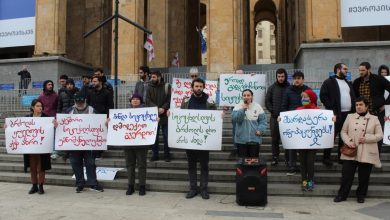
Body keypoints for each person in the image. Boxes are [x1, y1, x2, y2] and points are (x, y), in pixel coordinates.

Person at [334, 97, 382, 203]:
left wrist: (367, 138)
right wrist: (348, 141)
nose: (358, 107)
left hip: (366, 151)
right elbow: (343, 131)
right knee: (346, 175)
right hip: (351, 150)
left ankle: (361, 195)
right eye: (356, 105)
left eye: (360, 105)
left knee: (364, 176)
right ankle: (342, 195)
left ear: (366, 106)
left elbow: (379, 135)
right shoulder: (350, 117)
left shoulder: (374, 118)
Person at [180, 78, 217, 199]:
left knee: (204, 165)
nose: (198, 88)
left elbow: (214, 117)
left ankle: (204, 189)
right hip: (189, 139)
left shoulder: (210, 101)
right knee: (191, 165)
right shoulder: (186, 101)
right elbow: (180, 117)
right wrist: (171, 115)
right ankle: (193, 188)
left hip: (204, 140)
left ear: (204, 87)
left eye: (201, 86)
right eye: (196, 86)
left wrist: (219, 115)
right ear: (192, 87)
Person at [62, 93, 104, 193]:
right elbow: (62, 124)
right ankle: (80, 183)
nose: (80, 104)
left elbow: (100, 124)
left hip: (89, 144)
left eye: (81, 102)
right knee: (76, 163)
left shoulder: (92, 110)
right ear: (74, 102)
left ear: (85, 101)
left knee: (91, 163)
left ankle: (93, 183)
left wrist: (105, 122)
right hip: (73, 144)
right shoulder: (69, 111)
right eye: (77, 102)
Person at [320, 63, 355, 165]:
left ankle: (341, 157)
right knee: (331, 136)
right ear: (338, 69)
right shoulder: (329, 82)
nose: (346, 71)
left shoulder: (347, 82)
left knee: (343, 137)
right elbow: (323, 96)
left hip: (348, 114)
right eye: (344, 69)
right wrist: (331, 108)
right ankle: (326, 158)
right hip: (335, 114)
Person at [352, 62, 390, 154]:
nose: (361, 72)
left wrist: (385, 104)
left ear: (369, 70)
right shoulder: (357, 82)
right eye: (359, 70)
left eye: (363, 70)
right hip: (362, 114)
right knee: (363, 134)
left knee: (378, 134)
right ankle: (364, 155)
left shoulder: (379, 79)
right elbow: (354, 97)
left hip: (377, 112)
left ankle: (376, 156)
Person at [281, 71, 310, 175]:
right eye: (295, 78)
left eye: (299, 78)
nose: (296, 80)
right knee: (292, 145)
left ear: (303, 79)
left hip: (305, 122)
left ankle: (304, 166)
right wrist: (283, 118)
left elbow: (313, 103)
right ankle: (292, 166)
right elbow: (284, 105)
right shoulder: (288, 90)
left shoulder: (308, 90)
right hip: (292, 122)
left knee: (304, 145)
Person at [123, 93, 150, 196]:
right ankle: (131, 186)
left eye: (137, 99)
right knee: (130, 165)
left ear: (141, 101)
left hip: (141, 144)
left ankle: (142, 186)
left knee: (142, 165)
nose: (134, 101)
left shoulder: (146, 113)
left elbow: (150, 125)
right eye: (133, 99)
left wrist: (156, 121)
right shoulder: (124, 113)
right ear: (130, 101)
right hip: (128, 144)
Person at [23, 99, 52, 194]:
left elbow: (51, 130)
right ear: (32, 107)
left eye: (41, 106)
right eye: (38, 106)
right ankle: (34, 185)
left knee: (41, 167)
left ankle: (41, 186)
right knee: (32, 167)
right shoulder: (27, 118)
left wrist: (54, 125)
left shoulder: (47, 118)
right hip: (31, 148)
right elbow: (19, 128)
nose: (40, 108)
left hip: (42, 147)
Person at [232, 89, 267, 158]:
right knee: (242, 162)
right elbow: (236, 119)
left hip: (254, 139)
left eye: (248, 95)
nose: (246, 97)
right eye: (244, 95)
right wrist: (242, 110)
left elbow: (263, 121)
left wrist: (260, 130)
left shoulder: (258, 107)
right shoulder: (237, 106)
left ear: (252, 96)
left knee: (253, 161)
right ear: (242, 97)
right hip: (241, 140)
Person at [296, 89, 320, 191]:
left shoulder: (318, 111)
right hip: (301, 142)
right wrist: (281, 119)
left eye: (305, 97)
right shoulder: (298, 110)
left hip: (312, 143)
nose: (303, 99)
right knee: (302, 163)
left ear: (312, 99)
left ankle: (310, 181)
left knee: (310, 163)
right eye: (302, 97)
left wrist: (332, 119)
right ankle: (304, 181)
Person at [145, 71, 172, 162]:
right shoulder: (149, 87)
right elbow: (147, 100)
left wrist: (163, 108)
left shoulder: (167, 86)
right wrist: (156, 108)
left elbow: (169, 99)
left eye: (154, 77)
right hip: (154, 115)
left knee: (166, 136)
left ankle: (167, 155)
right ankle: (155, 154)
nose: (152, 79)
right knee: (154, 137)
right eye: (151, 77)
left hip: (165, 115)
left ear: (159, 77)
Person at [265, 68, 290, 166]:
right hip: (275, 118)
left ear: (285, 76)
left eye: (282, 76)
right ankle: (275, 157)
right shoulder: (272, 88)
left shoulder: (290, 87)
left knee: (287, 139)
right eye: (279, 76)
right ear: (276, 77)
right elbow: (267, 101)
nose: (280, 78)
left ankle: (288, 159)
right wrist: (273, 111)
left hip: (287, 118)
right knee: (275, 138)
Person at [37, 80, 59, 160]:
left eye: (51, 84)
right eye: (48, 84)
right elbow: (38, 107)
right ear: (45, 86)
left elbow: (58, 107)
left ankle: (54, 152)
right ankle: (45, 151)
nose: (50, 86)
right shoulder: (41, 96)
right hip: (43, 119)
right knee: (45, 136)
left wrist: (57, 117)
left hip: (53, 118)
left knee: (53, 136)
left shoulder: (56, 95)